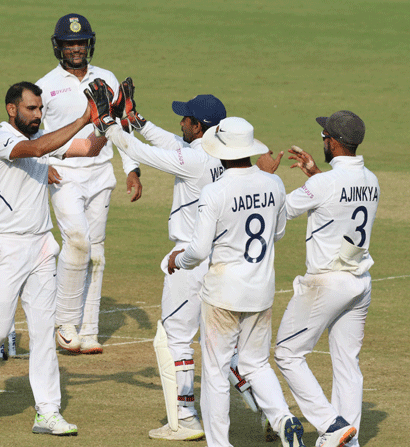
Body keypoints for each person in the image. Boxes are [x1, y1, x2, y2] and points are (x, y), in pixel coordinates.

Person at [0, 81, 109, 435]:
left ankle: (47, 411)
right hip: (5, 248)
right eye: (31, 109)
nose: (38, 115)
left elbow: (89, 149)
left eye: (40, 109)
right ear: (12, 109)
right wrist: (86, 115)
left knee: (41, 331)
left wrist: (109, 122)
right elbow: (36, 148)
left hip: (39, 246)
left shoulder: (41, 140)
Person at [166, 117, 306, 447]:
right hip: (262, 290)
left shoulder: (215, 190)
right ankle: (283, 418)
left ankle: (220, 444)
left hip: (223, 293)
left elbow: (198, 251)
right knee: (256, 363)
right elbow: (279, 232)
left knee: (214, 373)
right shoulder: (274, 184)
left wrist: (178, 260)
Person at [100, 87, 226, 440]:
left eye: (185, 118)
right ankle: (266, 409)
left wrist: (108, 124)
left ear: (198, 126)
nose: (181, 122)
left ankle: (185, 416)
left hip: (189, 259)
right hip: (220, 257)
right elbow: (174, 145)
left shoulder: (195, 161)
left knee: (176, 338)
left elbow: (144, 153)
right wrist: (137, 121)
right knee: (224, 344)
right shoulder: (222, 153)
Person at [264, 111, 378, 447]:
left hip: (327, 283)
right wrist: (316, 174)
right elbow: (338, 197)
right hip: (360, 283)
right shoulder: (370, 178)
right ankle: (348, 441)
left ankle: (331, 426)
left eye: (324, 135)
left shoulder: (323, 184)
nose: (321, 140)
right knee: (346, 363)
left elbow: (278, 209)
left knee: (286, 353)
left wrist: (266, 179)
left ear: (334, 141)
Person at [36, 13, 143, 354]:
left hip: (101, 173)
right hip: (64, 172)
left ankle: (89, 330)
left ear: (89, 44)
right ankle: (64, 323)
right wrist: (42, 165)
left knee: (96, 253)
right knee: (78, 241)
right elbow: (33, 132)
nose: (77, 49)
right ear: (59, 48)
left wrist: (132, 168)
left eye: (81, 43)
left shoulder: (107, 78)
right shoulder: (45, 85)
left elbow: (120, 124)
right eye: (70, 44)